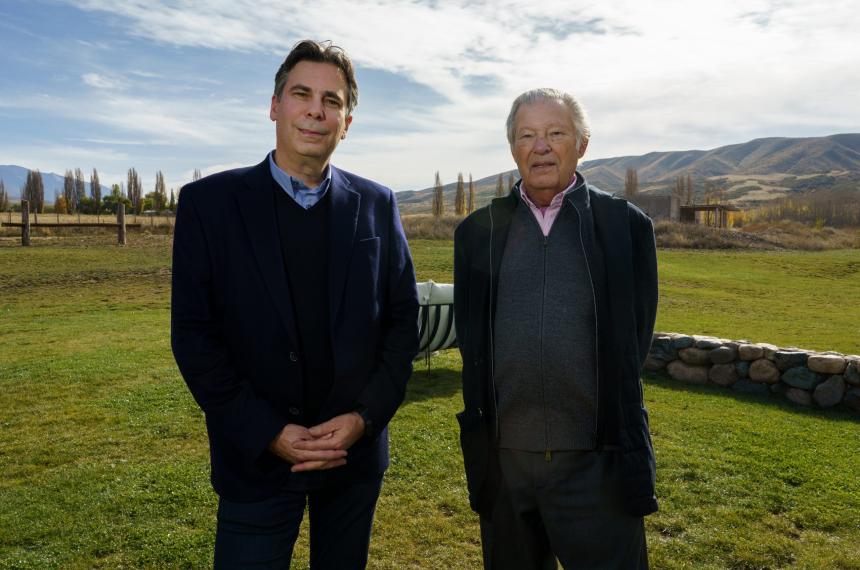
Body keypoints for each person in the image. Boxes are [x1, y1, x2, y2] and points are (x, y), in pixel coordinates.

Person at [171, 39, 419, 569]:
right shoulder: (209, 206)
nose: (316, 109)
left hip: (350, 459)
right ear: (274, 105)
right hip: (255, 464)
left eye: (332, 100)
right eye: (301, 93)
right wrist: (266, 433)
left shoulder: (377, 204)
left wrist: (364, 417)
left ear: (346, 121)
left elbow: (403, 323)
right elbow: (194, 337)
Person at [453, 88, 658, 569]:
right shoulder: (477, 234)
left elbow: (635, 338)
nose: (540, 146)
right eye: (526, 135)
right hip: (505, 466)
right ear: (512, 148)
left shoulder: (624, 227)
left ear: (582, 143)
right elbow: (473, 340)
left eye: (555, 133)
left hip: (598, 465)